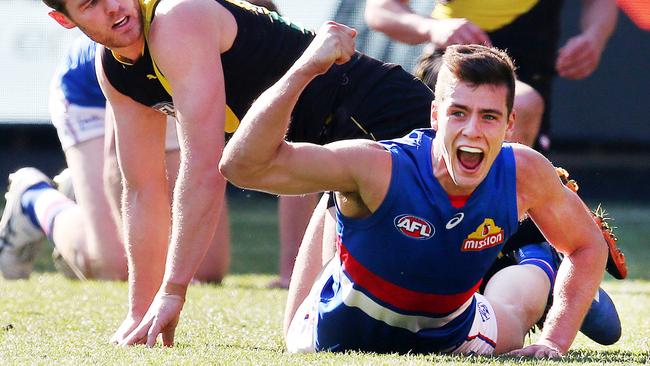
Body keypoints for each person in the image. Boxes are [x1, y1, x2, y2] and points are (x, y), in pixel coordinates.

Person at [43, 0, 434, 347]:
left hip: (388, 125)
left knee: (392, 313)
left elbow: (204, 166)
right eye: (91, 3)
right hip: (332, 162)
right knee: (303, 332)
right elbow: (141, 187)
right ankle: (38, 200)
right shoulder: (113, 68)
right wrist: (140, 310)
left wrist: (174, 290)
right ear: (65, 20)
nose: (112, 6)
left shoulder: (177, 18)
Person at [219, 27, 609, 357]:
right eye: (458, 112)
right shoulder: (377, 166)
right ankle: (341, 207)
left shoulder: (524, 171)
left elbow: (588, 246)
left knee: (516, 310)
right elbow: (242, 165)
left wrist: (555, 341)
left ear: (509, 124)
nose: (472, 129)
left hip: (453, 329)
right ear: (435, 115)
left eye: (488, 116)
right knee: (342, 199)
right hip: (335, 327)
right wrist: (305, 67)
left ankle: (540, 259)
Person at [0, 35, 229, 282]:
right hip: (99, 88)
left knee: (206, 271)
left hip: (172, 81)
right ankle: (33, 198)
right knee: (118, 267)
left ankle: (81, 193)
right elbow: (116, 163)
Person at [364, 0, 618, 150]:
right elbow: (380, 9)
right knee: (520, 102)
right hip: (453, 63)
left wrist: (594, 37)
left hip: (532, 74)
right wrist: (432, 27)